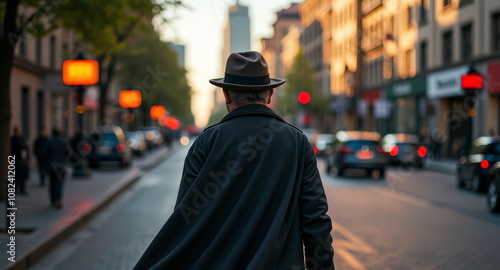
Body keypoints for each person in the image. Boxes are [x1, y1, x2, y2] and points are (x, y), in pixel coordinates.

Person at [134, 51, 334, 269]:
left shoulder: (207, 142)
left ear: (227, 95)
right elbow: (316, 222)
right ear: (269, 95)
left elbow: (185, 222)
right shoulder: (298, 143)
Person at [43, 128, 69, 209]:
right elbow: (67, 154)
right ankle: (58, 200)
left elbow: (44, 153)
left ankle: (53, 200)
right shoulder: (64, 142)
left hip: (51, 166)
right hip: (61, 166)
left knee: (52, 183)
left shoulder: (49, 141)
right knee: (59, 184)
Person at [10, 127, 30, 195]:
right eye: (18, 131)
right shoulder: (12, 140)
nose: (19, 133)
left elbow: (26, 149)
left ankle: (22, 189)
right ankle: (14, 190)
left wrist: (27, 159)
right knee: (14, 177)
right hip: (15, 160)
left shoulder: (22, 139)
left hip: (22, 162)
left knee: (22, 177)